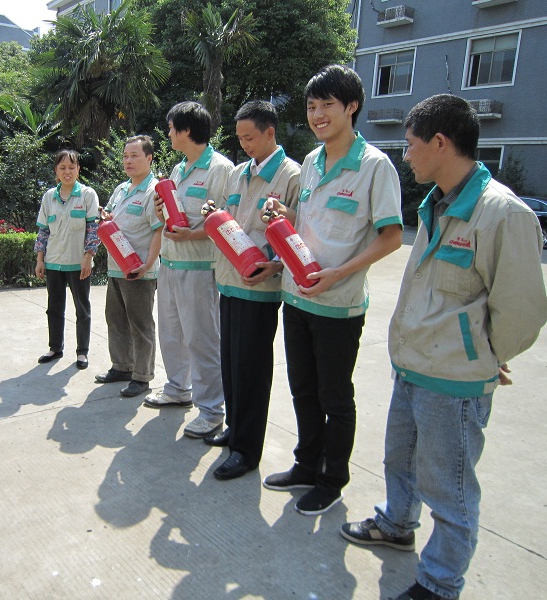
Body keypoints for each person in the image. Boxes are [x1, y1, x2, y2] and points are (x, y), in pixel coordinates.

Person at [341, 94, 547, 600]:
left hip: (453, 380)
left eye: (410, 145)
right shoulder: (436, 202)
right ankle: (396, 523)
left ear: (439, 142)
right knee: (400, 459)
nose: (406, 155)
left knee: (449, 488)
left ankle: (439, 581)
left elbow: (522, 310)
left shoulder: (502, 214)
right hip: (412, 365)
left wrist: (484, 354)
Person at [262, 65, 404, 515]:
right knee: (303, 389)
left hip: (338, 306)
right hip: (297, 295)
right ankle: (306, 465)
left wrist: (339, 273)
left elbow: (391, 236)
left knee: (335, 398)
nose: (318, 114)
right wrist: (282, 214)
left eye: (328, 105)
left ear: (351, 107)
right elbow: (308, 224)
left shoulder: (374, 166)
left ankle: (332, 479)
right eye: (311, 106)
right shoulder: (311, 161)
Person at [205, 100, 301, 481]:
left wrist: (274, 264)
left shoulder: (291, 176)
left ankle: (246, 450)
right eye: (240, 138)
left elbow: (297, 233)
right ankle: (234, 429)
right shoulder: (238, 173)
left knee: (251, 369)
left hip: (260, 287)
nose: (243, 144)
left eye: (249, 137)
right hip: (230, 280)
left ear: (270, 132)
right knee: (230, 363)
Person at [147, 101, 233, 439]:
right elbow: (173, 216)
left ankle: (211, 410)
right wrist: (161, 213)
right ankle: (177, 388)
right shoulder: (179, 169)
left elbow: (228, 221)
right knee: (171, 333)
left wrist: (192, 235)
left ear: (186, 130)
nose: (168, 134)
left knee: (202, 339)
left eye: (171, 128)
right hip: (170, 263)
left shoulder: (220, 169)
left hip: (199, 267)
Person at [94, 135, 163, 397]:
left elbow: (159, 230)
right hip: (116, 266)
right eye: (125, 156)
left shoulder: (153, 191)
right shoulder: (122, 188)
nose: (128, 161)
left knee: (140, 325)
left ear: (149, 158)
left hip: (138, 271)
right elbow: (110, 215)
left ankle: (142, 376)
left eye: (134, 155)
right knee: (116, 320)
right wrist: (105, 216)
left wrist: (147, 264)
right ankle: (122, 366)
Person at [34, 149, 100, 370]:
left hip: (78, 263)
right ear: (56, 171)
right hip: (53, 262)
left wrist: (88, 257)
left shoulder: (87, 195)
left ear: (78, 169)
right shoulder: (49, 197)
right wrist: (40, 260)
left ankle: (82, 352)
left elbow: (93, 229)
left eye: (72, 167)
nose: (67, 172)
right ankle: (55, 348)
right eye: (62, 167)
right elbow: (43, 231)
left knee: (82, 308)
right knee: (54, 307)